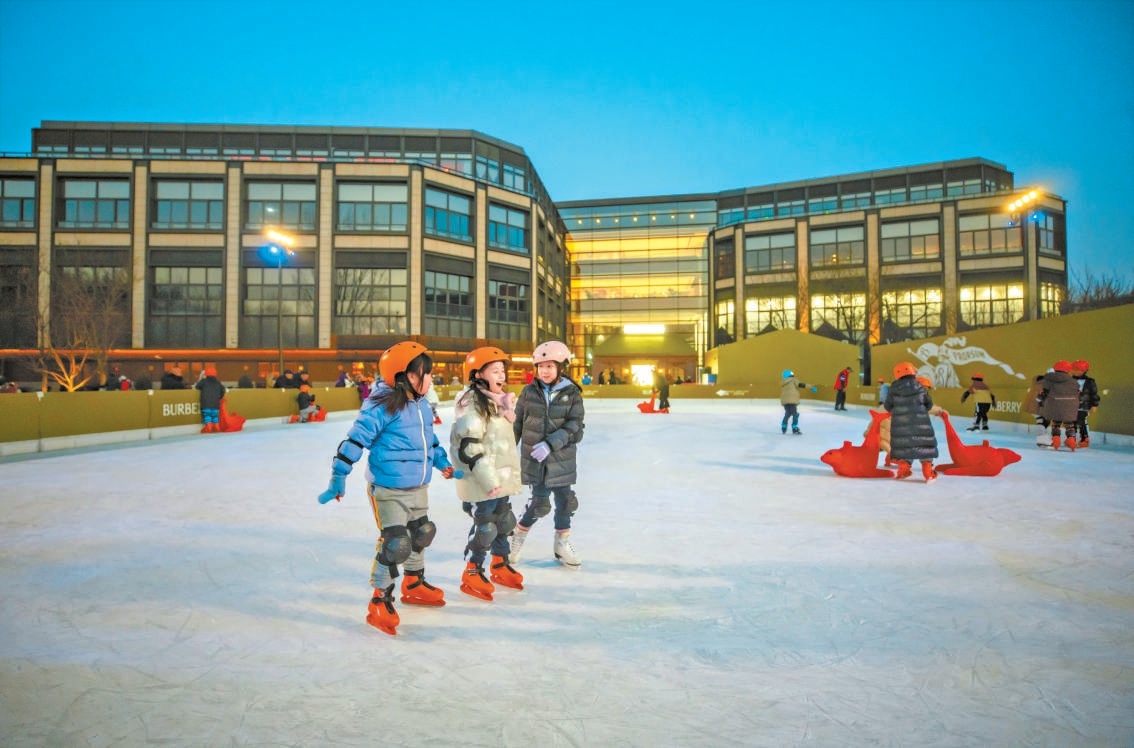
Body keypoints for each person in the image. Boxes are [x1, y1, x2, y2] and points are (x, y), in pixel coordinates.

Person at [316, 341, 456, 636]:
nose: (430, 379)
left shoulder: (422, 406)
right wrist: (338, 475)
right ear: (403, 376)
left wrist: (441, 461)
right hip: (389, 488)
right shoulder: (380, 405)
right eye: (424, 374)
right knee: (396, 544)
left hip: (419, 485)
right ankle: (380, 599)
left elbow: (429, 442)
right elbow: (355, 440)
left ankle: (414, 583)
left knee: (422, 532)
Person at [449, 346, 525, 600]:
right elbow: (469, 446)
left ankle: (499, 564)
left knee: (504, 522)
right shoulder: (472, 405)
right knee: (485, 528)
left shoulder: (498, 403)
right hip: (481, 482)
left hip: (497, 480)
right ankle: (472, 570)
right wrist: (489, 480)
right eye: (495, 371)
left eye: (503, 371)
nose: (502, 375)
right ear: (477, 374)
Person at [511, 340, 586, 569]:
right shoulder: (528, 392)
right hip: (535, 460)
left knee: (566, 502)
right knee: (540, 504)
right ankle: (517, 537)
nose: (544, 371)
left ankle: (562, 544)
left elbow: (576, 427)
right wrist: (505, 454)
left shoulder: (572, 394)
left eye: (550, 366)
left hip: (561, 459)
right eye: (541, 366)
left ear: (560, 367)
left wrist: (551, 444)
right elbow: (516, 425)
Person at [884, 362, 941, 482]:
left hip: (901, 425)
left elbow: (888, 406)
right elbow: (929, 404)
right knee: (925, 445)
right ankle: (927, 469)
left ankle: (904, 467)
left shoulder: (893, 388)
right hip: (922, 424)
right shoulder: (919, 386)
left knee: (904, 446)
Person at [1041, 360, 1081, 451]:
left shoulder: (1049, 379)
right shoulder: (1073, 381)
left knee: (1056, 423)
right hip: (1071, 404)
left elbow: (1045, 391)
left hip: (1055, 403)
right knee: (1069, 423)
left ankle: (1056, 440)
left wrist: (1042, 400)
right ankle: (1071, 440)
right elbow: (1078, 392)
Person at [1072, 359, 1100, 448]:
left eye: (1079, 370)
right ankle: (1072, 437)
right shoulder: (1070, 380)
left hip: (1083, 405)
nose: (1076, 372)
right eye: (1075, 370)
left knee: (1081, 421)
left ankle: (1084, 438)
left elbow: (1094, 393)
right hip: (1072, 404)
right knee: (1072, 422)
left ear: (1084, 371)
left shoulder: (1090, 381)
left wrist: (1094, 404)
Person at [195, 366, 227, 433]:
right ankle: (217, 428)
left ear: (206, 374)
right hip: (216, 403)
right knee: (214, 415)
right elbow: (223, 390)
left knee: (207, 415)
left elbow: (197, 386)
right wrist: (219, 397)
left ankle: (209, 428)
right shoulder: (218, 382)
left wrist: (202, 379)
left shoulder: (203, 381)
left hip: (206, 403)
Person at [780, 369, 808, 435]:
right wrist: (811, 387)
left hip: (785, 401)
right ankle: (794, 428)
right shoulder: (793, 380)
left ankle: (784, 426)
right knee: (795, 414)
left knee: (788, 413)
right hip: (792, 400)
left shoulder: (784, 382)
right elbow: (800, 385)